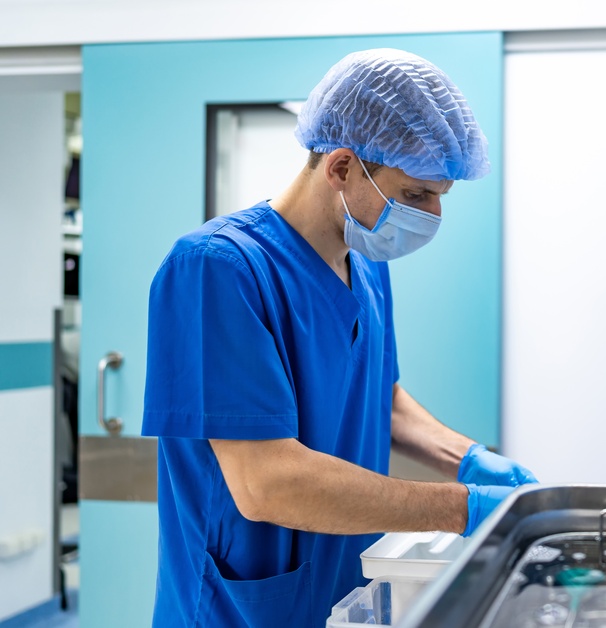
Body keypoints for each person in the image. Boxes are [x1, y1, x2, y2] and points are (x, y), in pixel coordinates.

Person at [141, 49, 536, 627]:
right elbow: (266, 483)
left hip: (345, 593)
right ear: (342, 167)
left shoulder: (367, 265)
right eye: (415, 195)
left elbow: (380, 395)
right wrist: (463, 508)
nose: (431, 216)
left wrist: (469, 460)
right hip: (241, 610)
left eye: (438, 198)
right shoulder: (217, 269)